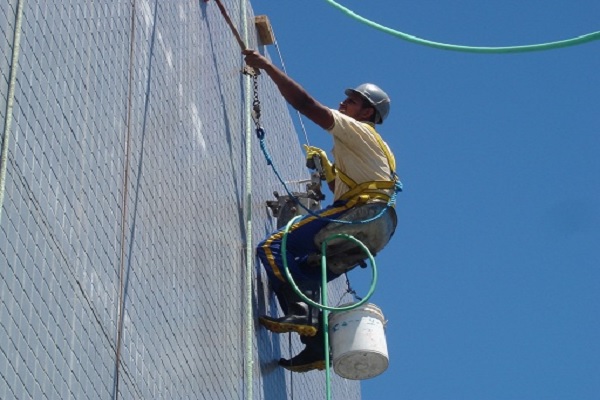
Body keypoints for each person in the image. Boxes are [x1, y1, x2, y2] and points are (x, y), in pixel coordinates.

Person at [243, 49, 399, 372]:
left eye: (353, 101)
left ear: (367, 112)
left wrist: (267, 67)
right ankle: (317, 347)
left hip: (361, 213)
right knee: (308, 271)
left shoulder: (356, 129)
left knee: (274, 247)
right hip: (378, 228)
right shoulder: (370, 149)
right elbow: (344, 191)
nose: (344, 103)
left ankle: (302, 313)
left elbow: (307, 106)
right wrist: (328, 170)